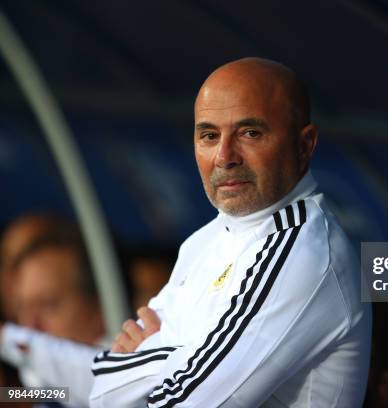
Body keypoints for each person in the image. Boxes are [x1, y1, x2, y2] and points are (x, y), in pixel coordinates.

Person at [90, 57, 372, 407]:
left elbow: (179, 403)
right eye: (209, 135)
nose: (224, 156)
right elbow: (100, 391)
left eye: (250, 133)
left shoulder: (302, 251)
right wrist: (176, 356)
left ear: (305, 145)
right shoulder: (206, 239)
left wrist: (147, 352)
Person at [0, 223, 108, 407]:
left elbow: (104, 383)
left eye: (48, 305)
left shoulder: (130, 367)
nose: (29, 325)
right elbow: (53, 392)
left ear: (98, 307)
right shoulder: (53, 382)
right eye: (22, 308)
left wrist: (5, 339)